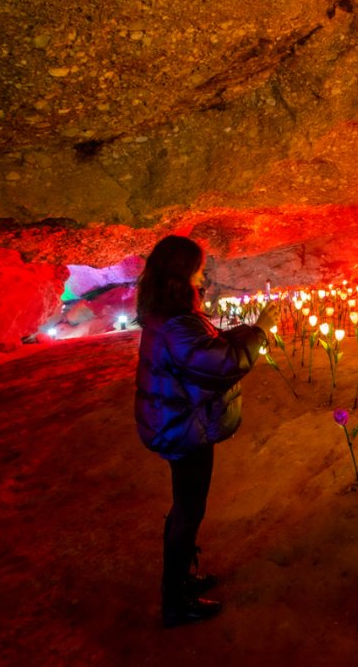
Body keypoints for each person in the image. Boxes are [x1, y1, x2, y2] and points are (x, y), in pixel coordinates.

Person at [134, 235, 277, 628]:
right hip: (183, 428)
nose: (204, 271)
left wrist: (241, 332)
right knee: (189, 508)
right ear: (183, 272)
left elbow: (203, 349)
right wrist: (260, 331)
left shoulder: (168, 315)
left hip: (177, 419)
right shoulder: (177, 321)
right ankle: (177, 600)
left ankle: (181, 580)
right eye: (199, 265)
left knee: (187, 505)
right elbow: (217, 363)